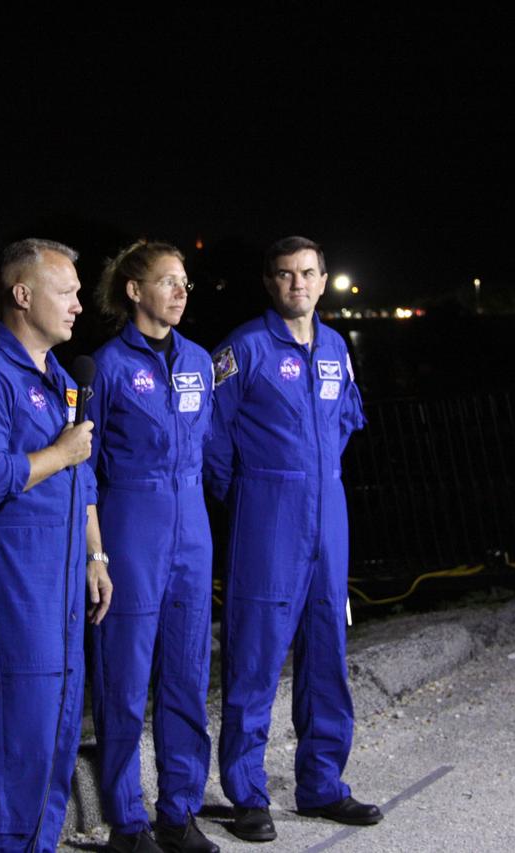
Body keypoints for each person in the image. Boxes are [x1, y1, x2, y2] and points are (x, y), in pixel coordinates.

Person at [204, 236, 380, 843]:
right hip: (267, 517)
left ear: (323, 280)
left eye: (307, 273)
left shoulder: (335, 347)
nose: (297, 283)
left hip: (328, 515)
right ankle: (247, 794)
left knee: (327, 648)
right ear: (269, 282)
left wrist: (316, 477)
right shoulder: (242, 349)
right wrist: (250, 495)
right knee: (255, 656)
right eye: (285, 274)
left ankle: (323, 784)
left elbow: (346, 419)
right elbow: (211, 436)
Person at [0, 238, 113, 852]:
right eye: (66, 291)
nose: (78, 304)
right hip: (17, 586)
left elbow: (83, 477)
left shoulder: (60, 377)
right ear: (22, 295)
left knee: (56, 737)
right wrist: (59, 453)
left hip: (64, 581)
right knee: (19, 740)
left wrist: (96, 555)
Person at [85, 241, 219, 853]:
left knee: (187, 673)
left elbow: (209, 445)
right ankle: (126, 822)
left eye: (185, 282)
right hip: (131, 526)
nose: (181, 292)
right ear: (134, 290)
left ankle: (178, 813)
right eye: (168, 281)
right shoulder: (106, 367)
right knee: (124, 679)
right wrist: (96, 551)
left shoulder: (199, 361)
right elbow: (85, 467)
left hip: (191, 527)